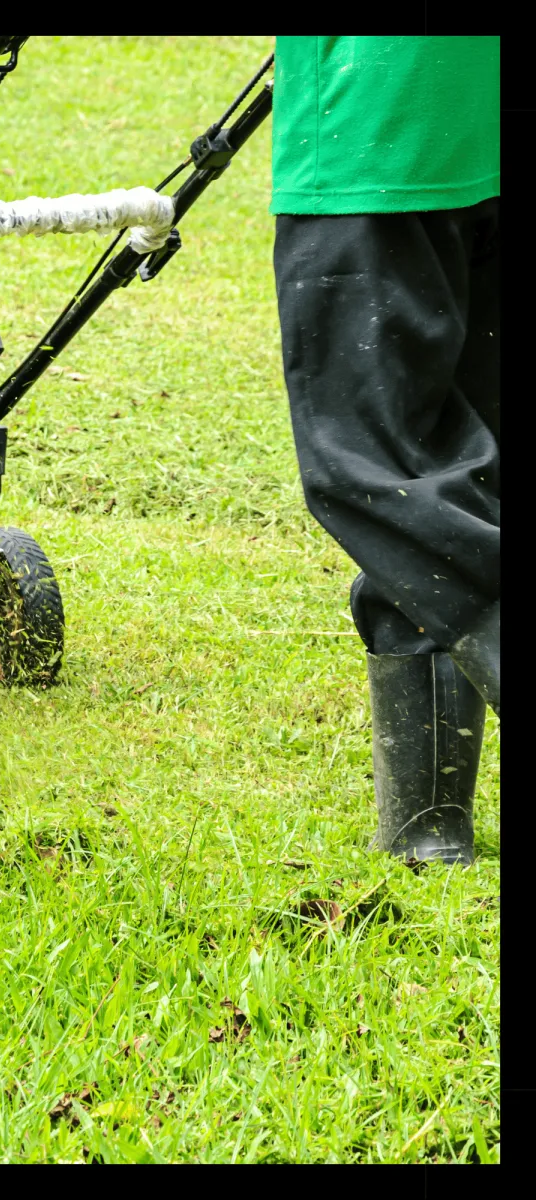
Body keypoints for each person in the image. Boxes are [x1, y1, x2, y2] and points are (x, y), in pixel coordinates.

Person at [270, 36, 500, 864]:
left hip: (378, 122)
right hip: (483, 120)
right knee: (458, 475)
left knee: (380, 473)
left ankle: (429, 827)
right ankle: (428, 828)